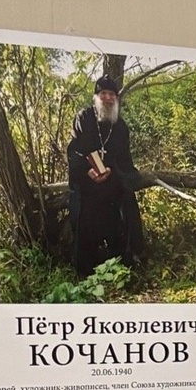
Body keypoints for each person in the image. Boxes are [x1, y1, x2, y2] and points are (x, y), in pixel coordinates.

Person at [66, 64, 145, 276]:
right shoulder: (84, 118)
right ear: (96, 97)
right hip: (87, 185)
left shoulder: (120, 127)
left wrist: (114, 172)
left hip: (111, 184)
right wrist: (87, 172)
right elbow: (74, 151)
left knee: (124, 213)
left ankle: (122, 268)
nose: (108, 98)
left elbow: (125, 160)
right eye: (104, 94)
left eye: (112, 94)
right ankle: (86, 274)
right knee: (85, 220)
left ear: (116, 99)